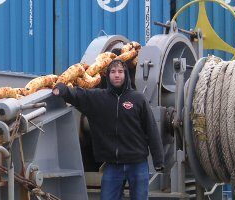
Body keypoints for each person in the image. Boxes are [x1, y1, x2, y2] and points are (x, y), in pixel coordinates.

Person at [52, 59, 164, 200]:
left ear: (126, 75)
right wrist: (61, 89)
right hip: (113, 164)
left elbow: (151, 129)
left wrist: (158, 161)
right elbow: (78, 95)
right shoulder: (98, 98)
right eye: (113, 72)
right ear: (108, 75)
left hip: (137, 164)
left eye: (120, 72)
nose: (116, 75)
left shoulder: (138, 99)